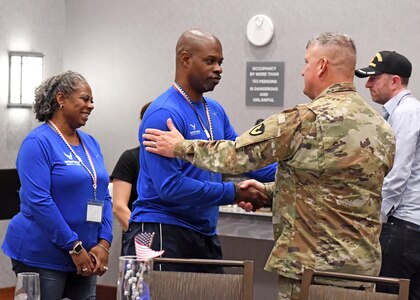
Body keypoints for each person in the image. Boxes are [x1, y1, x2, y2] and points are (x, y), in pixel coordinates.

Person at [142, 32, 396, 299]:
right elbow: (333, 187)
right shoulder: (381, 128)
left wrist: (180, 147)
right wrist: (269, 190)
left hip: (312, 268)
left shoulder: (305, 119)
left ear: (321, 66)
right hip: (362, 269)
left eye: (306, 62)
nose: (302, 71)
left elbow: (238, 155)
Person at [123, 28, 275, 273]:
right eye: (210, 61)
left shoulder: (214, 110)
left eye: (220, 62)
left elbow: (242, 159)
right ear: (185, 59)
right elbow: (170, 187)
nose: (219, 69)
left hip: (203, 232)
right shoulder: (163, 114)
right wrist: (234, 193)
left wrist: (289, 170)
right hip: (162, 229)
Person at [1, 71, 113, 300]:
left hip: (86, 254)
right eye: (84, 98)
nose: (91, 105)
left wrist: (104, 243)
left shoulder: (91, 143)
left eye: (92, 100)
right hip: (43, 253)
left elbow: (104, 196)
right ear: (61, 99)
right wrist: (74, 246)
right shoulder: (38, 142)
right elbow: (39, 201)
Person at [355, 51, 420, 299]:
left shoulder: (404, 113)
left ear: (394, 81)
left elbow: (396, 174)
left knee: (385, 295)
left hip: (402, 227)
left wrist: (374, 220)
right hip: (412, 227)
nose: (367, 83)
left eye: (374, 78)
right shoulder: (408, 111)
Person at [111, 101, 151, 254]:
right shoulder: (131, 158)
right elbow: (119, 207)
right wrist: (144, 239)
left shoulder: (177, 161)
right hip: (139, 240)